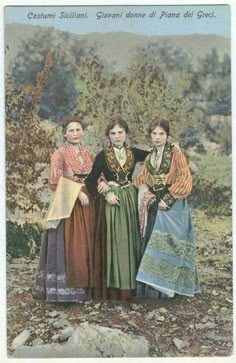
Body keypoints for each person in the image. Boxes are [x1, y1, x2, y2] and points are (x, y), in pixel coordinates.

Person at [85, 116, 150, 301]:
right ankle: (116, 289)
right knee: (117, 240)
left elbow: (154, 158)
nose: (117, 136)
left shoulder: (134, 152)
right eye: (113, 133)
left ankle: (131, 287)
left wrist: (171, 148)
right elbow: (90, 180)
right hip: (113, 200)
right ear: (108, 136)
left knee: (132, 239)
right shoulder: (102, 156)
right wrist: (106, 192)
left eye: (120, 132)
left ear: (126, 133)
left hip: (130, 197)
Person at [134, 117, 200, 299]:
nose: (157, 137)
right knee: (155, 242)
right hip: (157, 202)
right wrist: (144, 188)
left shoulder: (176, 153)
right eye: (154, 133)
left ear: (168, 135)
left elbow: (185, 178)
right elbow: (142, 178)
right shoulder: (150, 157)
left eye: (161, 133)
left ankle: (173, 290)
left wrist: (169, 198)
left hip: (174, 203)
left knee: (173, 244)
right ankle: (155, 291)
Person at [34, 115, 95, 302]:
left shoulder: (88, 154)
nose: (75, 133)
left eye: (78, 129)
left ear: (83, 132)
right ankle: (64, 292)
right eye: (71, 130)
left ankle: (85, 289)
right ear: (65, 134)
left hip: (87, 205)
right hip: (68, 204)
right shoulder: (59, 154)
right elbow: (55, 181)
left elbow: (95, 176)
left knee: (85, 246)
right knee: (69, 244)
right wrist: (78, 193)